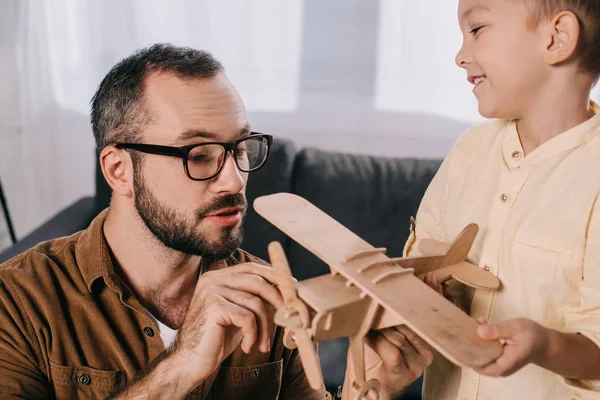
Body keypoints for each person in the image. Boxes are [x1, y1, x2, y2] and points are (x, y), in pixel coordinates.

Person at [0, 43, 431, 400]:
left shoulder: (269, 292)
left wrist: (364, 391)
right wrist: (183, 364)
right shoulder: (19, 300)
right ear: (118, 171)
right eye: (199, 154)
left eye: (240, 147)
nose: (235, 178)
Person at [392, 0, 600, 399]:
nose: (459, 56)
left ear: (557, 38)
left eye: (477, 30)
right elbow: (425, 262)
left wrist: (544, 345)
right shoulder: (470, 151)